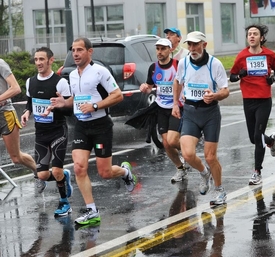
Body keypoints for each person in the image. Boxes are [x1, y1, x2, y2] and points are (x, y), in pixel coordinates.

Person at [48, 37, 137, 226]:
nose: (76, 54)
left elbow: (117, 95)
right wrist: (64, 103)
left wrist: (95, 105)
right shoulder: (72, 75)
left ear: (90, 52)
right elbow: (76, 98)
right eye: (73, 50)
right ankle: (92, 210)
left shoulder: (100, 72)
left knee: (104, 172)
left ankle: (125, 173)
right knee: (79, 167)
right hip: (81, 126)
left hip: (100, 126)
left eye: (80, 50)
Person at [172, 31, 229, 206]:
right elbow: (177, 81)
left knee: (210, 157)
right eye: (189, 45)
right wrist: (175, 103)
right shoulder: (183, 63)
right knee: (188, 153)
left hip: (210, 113)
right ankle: (205, 173)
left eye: (196, 44)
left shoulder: (215, 64)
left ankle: (220, 191)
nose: (192, 48)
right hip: (190, 111)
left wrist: (215, 96)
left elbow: (225, 91)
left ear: (204, 45)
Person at [20, 47, 73, 217]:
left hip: (58, 131)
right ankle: (63, 177)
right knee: (42, 175)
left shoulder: (60, 83)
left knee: (56, 170)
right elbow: (30, 102)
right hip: (40, 134)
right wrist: (27, 112)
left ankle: (65, 203)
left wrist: (59, 105)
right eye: (36, 59)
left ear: (50, 60)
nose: (38, 63)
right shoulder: (31, 82)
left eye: (42, 59)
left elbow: (69, 111)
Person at [229, 24, 275, 185]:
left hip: (264, 100)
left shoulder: (269, 55)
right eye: (249, 34)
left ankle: (257, 172)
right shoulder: (242, 56)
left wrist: (272, 79)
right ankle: (270, 141)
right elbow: (232, 76)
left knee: (258, 137)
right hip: (248, 100)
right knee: (253, 138)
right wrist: (240, 76)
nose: (251, 36)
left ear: (261, 38)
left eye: (255, 34)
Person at [139, 38, 187, 183]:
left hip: (177, 107)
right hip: (161, 108)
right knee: (166, 143)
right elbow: (149, 85)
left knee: (172, 140)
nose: (159, 52)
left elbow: (187, 82)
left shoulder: (178, 65)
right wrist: (145, 88)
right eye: (158, 49)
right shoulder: (153, 68)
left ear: (170, 50)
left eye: (163, 49)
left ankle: (188, 152)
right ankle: (180, 169)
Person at [0, 55, 37, 185]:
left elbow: (15, 88)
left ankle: (39, 173)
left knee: (16, 158)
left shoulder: (1, 63)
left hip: (4, 113)